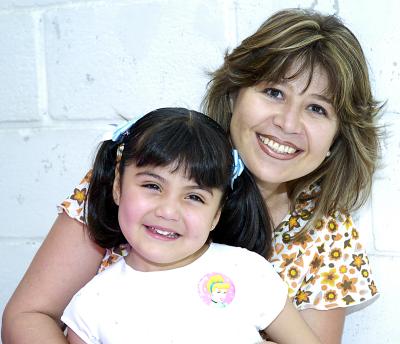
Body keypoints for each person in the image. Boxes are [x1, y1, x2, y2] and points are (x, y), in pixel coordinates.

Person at [1, 8, 381, 344]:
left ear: (337, 136)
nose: (287, 123)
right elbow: (27, 317)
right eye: (274, 92)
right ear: (235, 94)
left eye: (316, 108)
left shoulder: (327, 236)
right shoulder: (141, 172)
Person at [61, 107, 320, 344]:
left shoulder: (247, 271)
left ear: (217, 213)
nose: (168, 211)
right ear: (118, 186)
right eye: (152, 186)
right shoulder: (90, 308)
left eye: (194, 197)